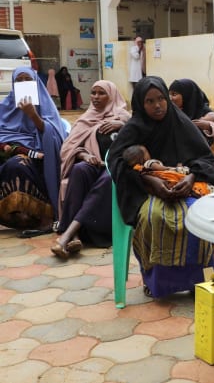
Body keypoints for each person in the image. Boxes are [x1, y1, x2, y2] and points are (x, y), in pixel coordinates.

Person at [108, 76, 214, 298]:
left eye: (161, 99)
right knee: (155, 218)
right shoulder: (134, 128)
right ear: (140, 104)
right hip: (145, 192)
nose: (157, 105)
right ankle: (159, 283)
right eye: (150, 101)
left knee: (199, 218)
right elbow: (117, 162)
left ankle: (199, 280)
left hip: (187, 185)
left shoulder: (180, 122)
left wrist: (191, 178)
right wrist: (149, 181)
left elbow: (206, 158)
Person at [51, 80, 130, 259]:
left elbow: (135, 141)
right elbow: (68, 148)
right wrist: (85, 156)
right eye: (93, 93)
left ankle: (68, 235)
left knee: (107, 179)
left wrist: (122, 126)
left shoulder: (124, 117)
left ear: (112, 96)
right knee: (79, 170)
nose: (95, 97)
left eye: (101, 93)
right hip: (94, 163)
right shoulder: (85, 118)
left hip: (114, 166)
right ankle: (75, 237)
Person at [0, 66, 68, 235]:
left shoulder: (45, 105)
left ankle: (39, 215)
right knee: (14, 162)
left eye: (27, 80)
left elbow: (53, 134)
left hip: (39, 156)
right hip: (6, 153)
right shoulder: (4, 106)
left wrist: (32, 114)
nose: (23, 83)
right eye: (19, 81)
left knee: (18, 164)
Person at [168, 78, 214, 170]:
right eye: (169, 94)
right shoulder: (171, 113)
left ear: (187, 95)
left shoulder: (203, 113)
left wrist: (208, 125)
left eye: (174, 94)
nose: (170, 98)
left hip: (204, 166)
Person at [123, 144, 214, 197]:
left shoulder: (141, 171)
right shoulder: (149, 163)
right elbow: (162, 169)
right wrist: (174, 168)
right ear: (143, 157)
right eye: (146, 152)